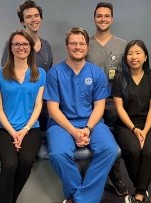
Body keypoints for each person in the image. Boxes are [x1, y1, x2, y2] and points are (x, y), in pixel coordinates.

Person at [43, 27, 118, 203]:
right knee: (58, 154)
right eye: (73, 43)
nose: (77, 46)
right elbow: (53, 109)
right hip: (61, 123)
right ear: (67, 46)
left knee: (110, 149)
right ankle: (85, 198)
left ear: (87, 46)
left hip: (91, 122)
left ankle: (79, 199)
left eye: (81, 43)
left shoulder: (96, 72)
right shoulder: (55, 73)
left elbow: (99, 106)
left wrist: (88, 128)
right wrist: (74, 131)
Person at [0, 30, 45, 203]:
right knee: (10, 164)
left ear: (30, 47)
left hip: (30, 129)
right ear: (11, 47)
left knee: (26, 161)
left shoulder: (40, 74)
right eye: (17, 44)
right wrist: (13, 132)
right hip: (4, 129)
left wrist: (25, 130)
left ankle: (8, 199)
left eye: (25, 44)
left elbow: (38, 106)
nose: (21, 47)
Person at [86, 2, 128, 196]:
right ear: (94, 18)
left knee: (114, 139)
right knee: (89, 138)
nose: (102, 19)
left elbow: (128, 73)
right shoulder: (86, 44)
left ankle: (116, 176)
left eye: (106, 16)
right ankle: (91, 178)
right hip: (90, 103)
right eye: (99, 16)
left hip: (114, 100)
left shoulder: (122, 45)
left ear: (112, 19)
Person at [112, 40, 151, 203]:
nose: (134, 57)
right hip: (126, 125)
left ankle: (138, 195)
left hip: (148, 125)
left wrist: (145, 131)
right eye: (130, 53)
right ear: (126, 57)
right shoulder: (119, 78)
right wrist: (134, 130)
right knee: (133, 150)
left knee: (149, 152)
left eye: (138, 53)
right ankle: (142, 190)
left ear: (145, 57)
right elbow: (119, 108)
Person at [1, 0, 53, 131]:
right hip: (20, 109)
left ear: (40, 18)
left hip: (42, 107)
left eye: (36, 15)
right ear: (23, 22)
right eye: (28, 17)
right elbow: (5, 76)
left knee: (40, 146)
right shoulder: (12, 45)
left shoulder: (46, 45)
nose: (33, 19)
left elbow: (48, 76)